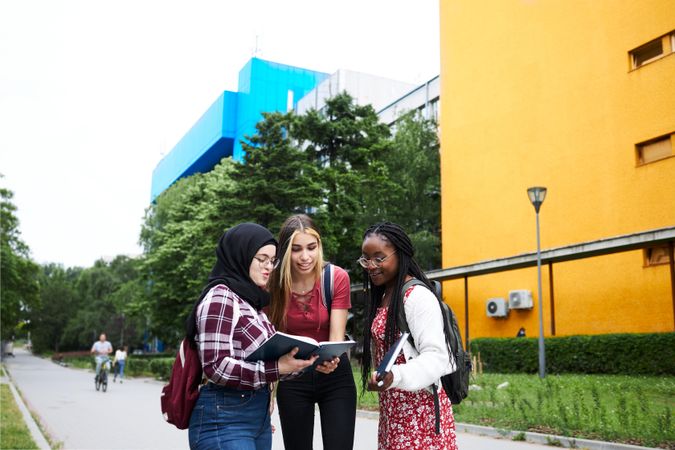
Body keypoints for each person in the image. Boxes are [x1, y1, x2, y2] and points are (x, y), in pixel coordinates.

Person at [185, 222, 317, 450]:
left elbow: (268, 361)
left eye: (272, 260)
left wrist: (306, 363)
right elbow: (215, 366)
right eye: (261, 259)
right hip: (224, 418)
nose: (269, 267)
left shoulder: (251, 303)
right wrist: (277, 368)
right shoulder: (221, 297)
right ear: (241, 256)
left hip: (257, 417)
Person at [358, 222, 457, 450]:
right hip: (394, 416)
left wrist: (396, 376)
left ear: (400, 255)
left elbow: (436, 357)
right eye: (366, 259)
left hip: (420, 417)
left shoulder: (417, 296)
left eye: (379, 258)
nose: (371, 266)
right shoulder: (385, 295)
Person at [267, 214, 357, 450]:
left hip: (334, 375)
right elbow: (270, 341)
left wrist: (333, 360)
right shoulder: (272, 284)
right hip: (292, 374)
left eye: (311, 247)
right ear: (285, 251)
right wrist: (269, 391)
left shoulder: (336, 278)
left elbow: (336, 338)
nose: (305, 257)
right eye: (296, 249)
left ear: (319, 246)